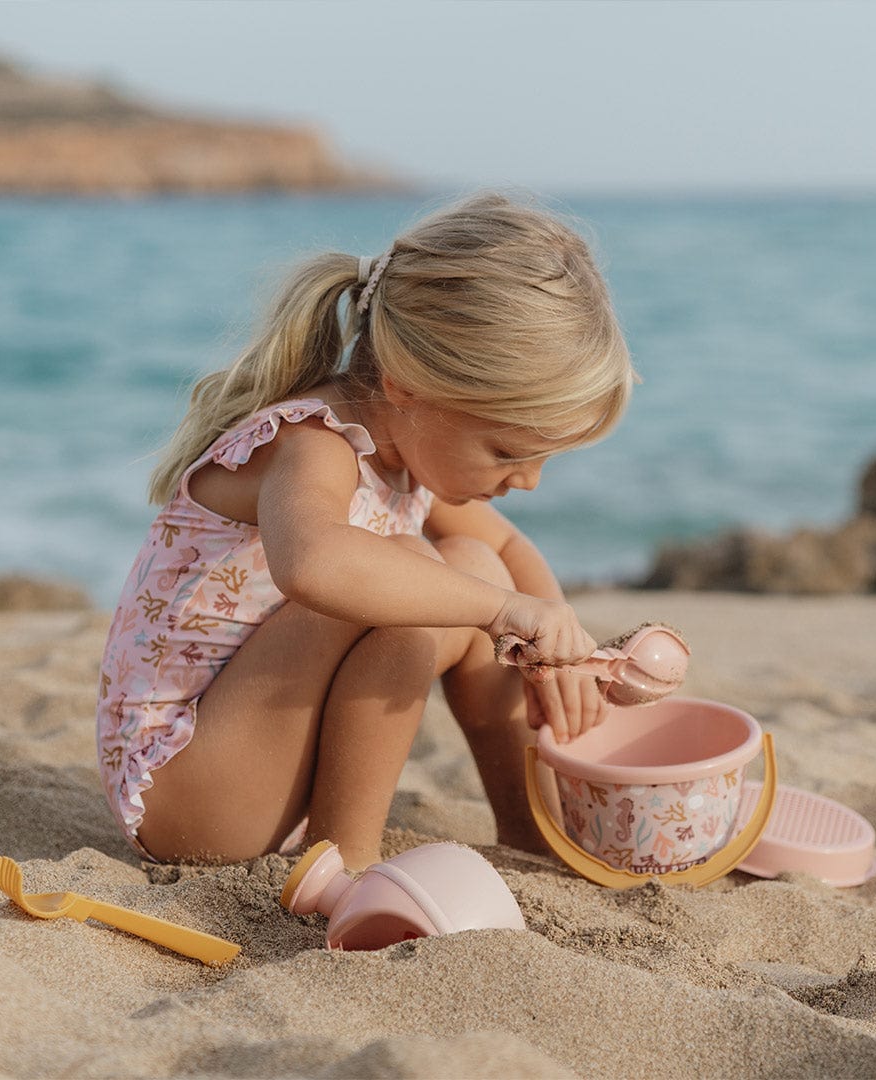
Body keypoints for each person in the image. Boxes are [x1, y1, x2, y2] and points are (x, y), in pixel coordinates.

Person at [96, 192, 635, 871]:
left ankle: (531, 830)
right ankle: (342, 862)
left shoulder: (410, 444)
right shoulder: (313, 441)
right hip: (190, 793)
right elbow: (313, 564)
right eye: (505, 452)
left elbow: (505, 550)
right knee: (431, 575)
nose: (527, 482)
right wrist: (501, 609)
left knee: (471, 561)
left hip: (263, 771)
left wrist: (561, 647)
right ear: (408, 385)